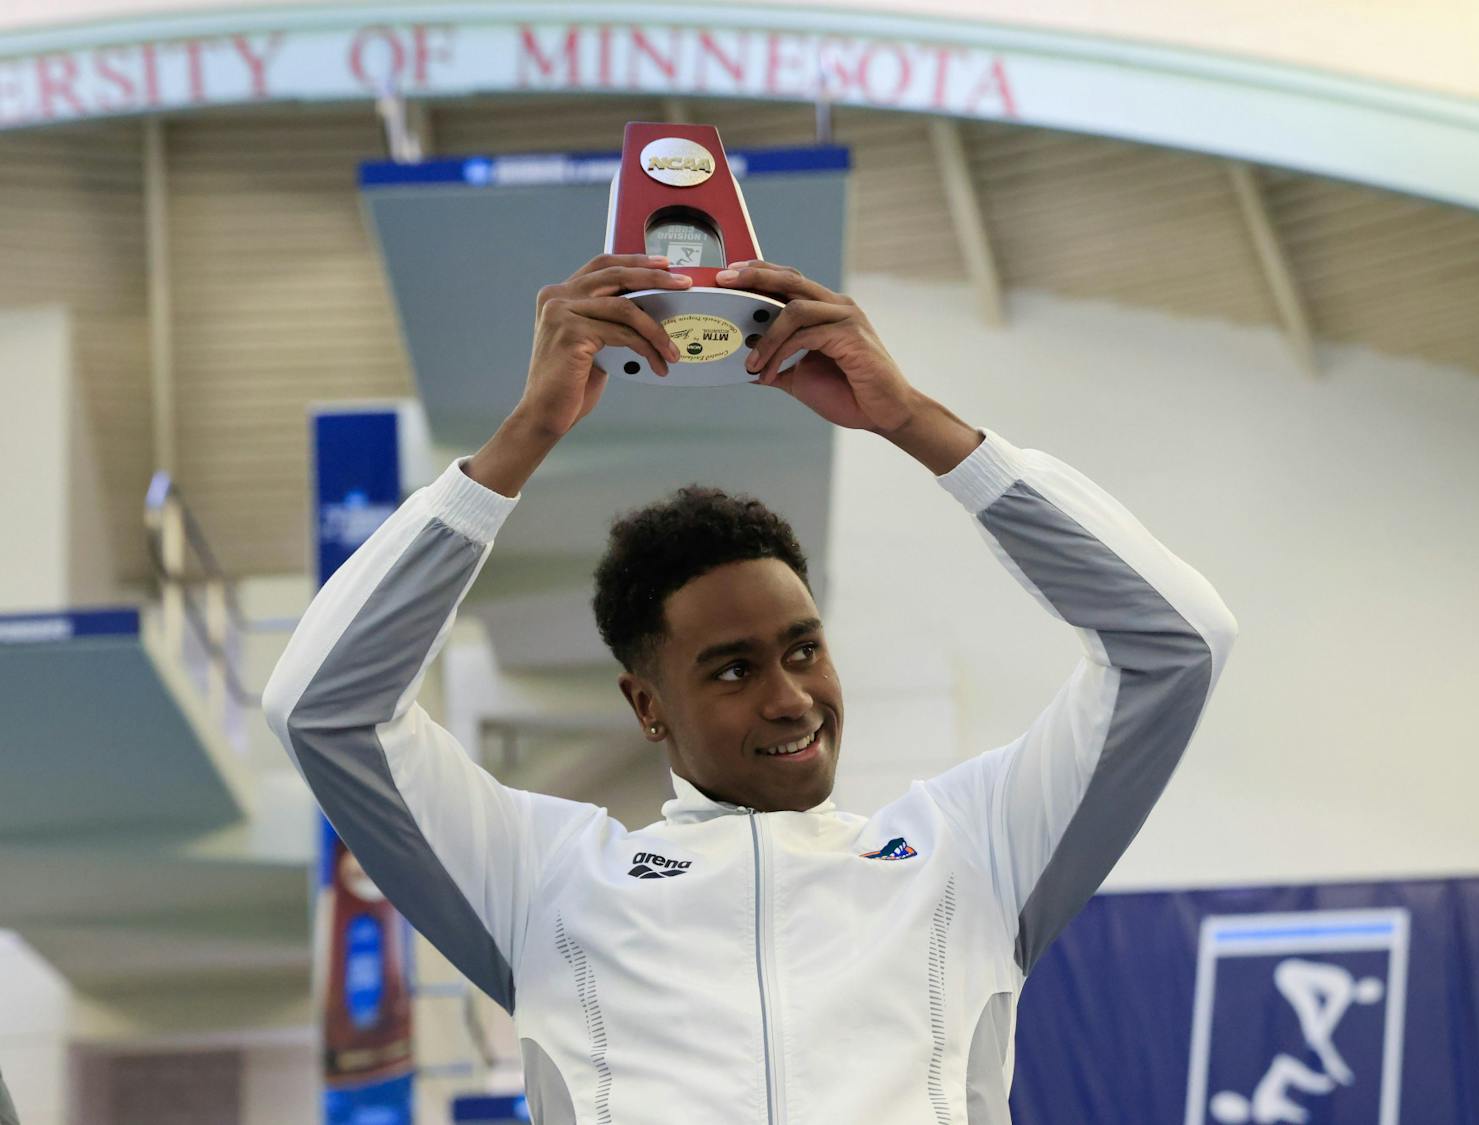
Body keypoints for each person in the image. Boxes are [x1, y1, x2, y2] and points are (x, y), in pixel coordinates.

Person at [265, 253, 1238, 1122]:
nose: (791, 698)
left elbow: (1175, 641)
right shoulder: (545, 883)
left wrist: (912, 422)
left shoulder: (972, 851)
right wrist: (520, 442)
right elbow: (324, 706)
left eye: (804, 649)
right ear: (646, 705)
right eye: (732, 669)